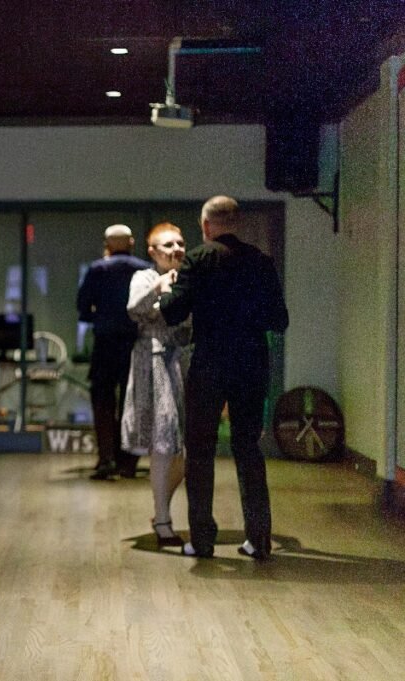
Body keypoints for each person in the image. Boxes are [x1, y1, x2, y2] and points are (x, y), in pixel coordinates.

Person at [160, 196, 289, 560]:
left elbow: (172, 313)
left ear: (206, 226)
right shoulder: (262, 263)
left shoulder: (198, 260)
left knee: (200, 451)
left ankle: (202, 541)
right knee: (248, 449)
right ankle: (259, 540)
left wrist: (171, 289)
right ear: (238, 224)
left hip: (210, 361)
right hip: (251, 360)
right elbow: (279, 320)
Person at [120, 223, 190, 547]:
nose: (175, 249)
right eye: (167, 245)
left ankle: (161, 508)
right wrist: (160, 285)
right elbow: (135, 308)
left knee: (187, 449)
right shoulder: (145, 277)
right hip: (155, 360)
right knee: (163, 438)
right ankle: (163, 519)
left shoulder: (191, 276)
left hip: (187, 361)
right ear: (152, 252)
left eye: (179, 243)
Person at [77, 224, 151, 480]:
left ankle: (106, 457)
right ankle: (128, 460)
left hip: (105, 341)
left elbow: (83, 306)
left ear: (107, 244)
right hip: (135, 341)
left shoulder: (98, 269)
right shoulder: (144, 268)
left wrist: (99, 317)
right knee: (132, 400)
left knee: (102, 399)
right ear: (131, 242)